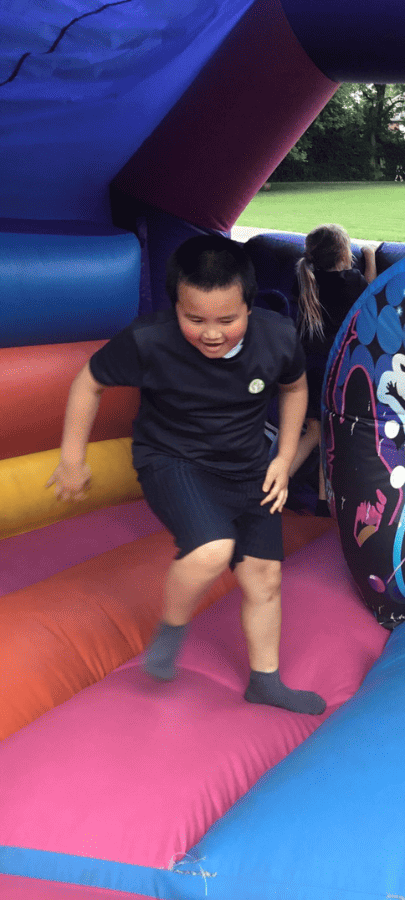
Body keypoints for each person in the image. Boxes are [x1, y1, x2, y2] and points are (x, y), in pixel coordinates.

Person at [47, 235, 325, 714]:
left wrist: (282, 458)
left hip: (246, 465)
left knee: (264, 579)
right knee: (212, 548)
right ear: (176, 305)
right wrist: (72, 458)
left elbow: (295, 388)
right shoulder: (149, 340)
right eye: (194, 319)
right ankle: (171, 630)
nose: (211, 333)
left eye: (227, 320)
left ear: (250, 307)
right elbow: (88, 382)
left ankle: (265, 680)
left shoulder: (276, 336)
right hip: (172, 460)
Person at [290, 224, 378, 514]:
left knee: (317, 431)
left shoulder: (304, 280)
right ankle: (279, 483)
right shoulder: (350, 280)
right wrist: (371, 255)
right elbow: (370, 295)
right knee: (326, 432)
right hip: (335, 368)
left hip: (307, 366)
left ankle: (318, 498)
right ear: (344, 254)